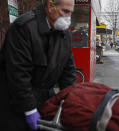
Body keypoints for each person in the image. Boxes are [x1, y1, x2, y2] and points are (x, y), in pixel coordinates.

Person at [0, 0, 76, 130]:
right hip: (15, 104)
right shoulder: (23, 28)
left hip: (44, 102)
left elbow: (68, 73)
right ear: (50, 6)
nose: (68, 18)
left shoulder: (64, 34)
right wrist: (29, 110)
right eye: (65, 11)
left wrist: (71, 103)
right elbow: (18, 74)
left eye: (70, 13)